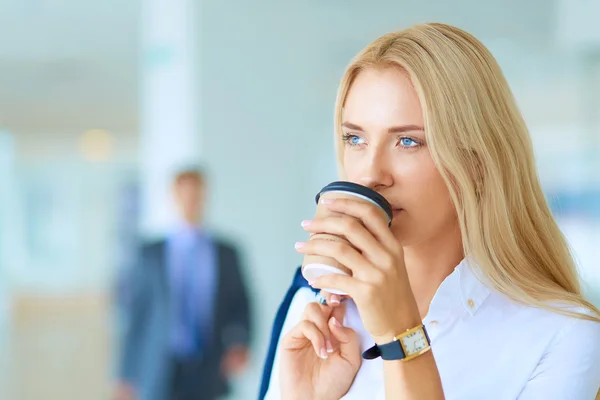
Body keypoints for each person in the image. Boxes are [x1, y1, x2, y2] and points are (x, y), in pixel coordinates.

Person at [260, 23, 600, 400]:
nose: (371, 174)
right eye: (355, 138)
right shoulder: (316, 307)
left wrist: (401, 337)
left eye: (408, 141)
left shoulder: (562, 336)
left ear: (477, 162)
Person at [116, 167, 252, 400]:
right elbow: (136, 315)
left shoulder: (226, 253)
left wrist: (240, 342)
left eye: (196, 195)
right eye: (184, 195)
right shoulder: (150, 254)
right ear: (174, 197)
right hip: (161, 366)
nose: (190, 202)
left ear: (205, 197)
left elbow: (243, 304)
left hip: (208, 364)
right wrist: (125, 375)